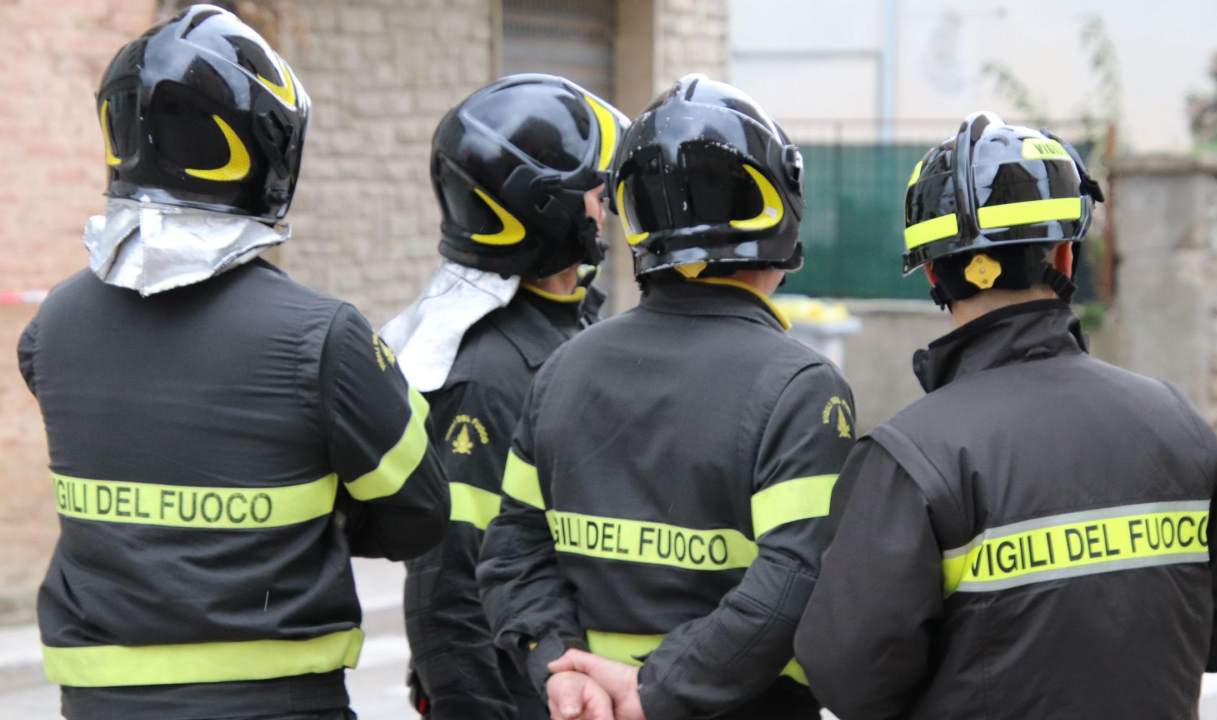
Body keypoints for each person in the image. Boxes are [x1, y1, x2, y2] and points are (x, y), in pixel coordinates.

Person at [18, 6, 450, 719]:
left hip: (96, 701)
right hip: (279, 702)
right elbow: (419, 511)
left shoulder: (54, 325)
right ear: (266, 148)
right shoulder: (324, 336)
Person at [795, 112, 1217, 719]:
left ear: (934, 273)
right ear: (1065, 258)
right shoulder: (1176, 422)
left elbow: (851, 680)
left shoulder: (909, 457)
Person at [476, 75, 857, 720]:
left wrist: (560, 666)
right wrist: (651, 691)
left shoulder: (563, 367)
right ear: (776, 204)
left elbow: (513, 551)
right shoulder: (802, 388)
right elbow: (795, 582)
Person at [383, 74, 628, 720]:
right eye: (591, 192)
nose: (603, 206)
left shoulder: (567, 330)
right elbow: (450, 583)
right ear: (546, 211)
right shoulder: (490, 373)